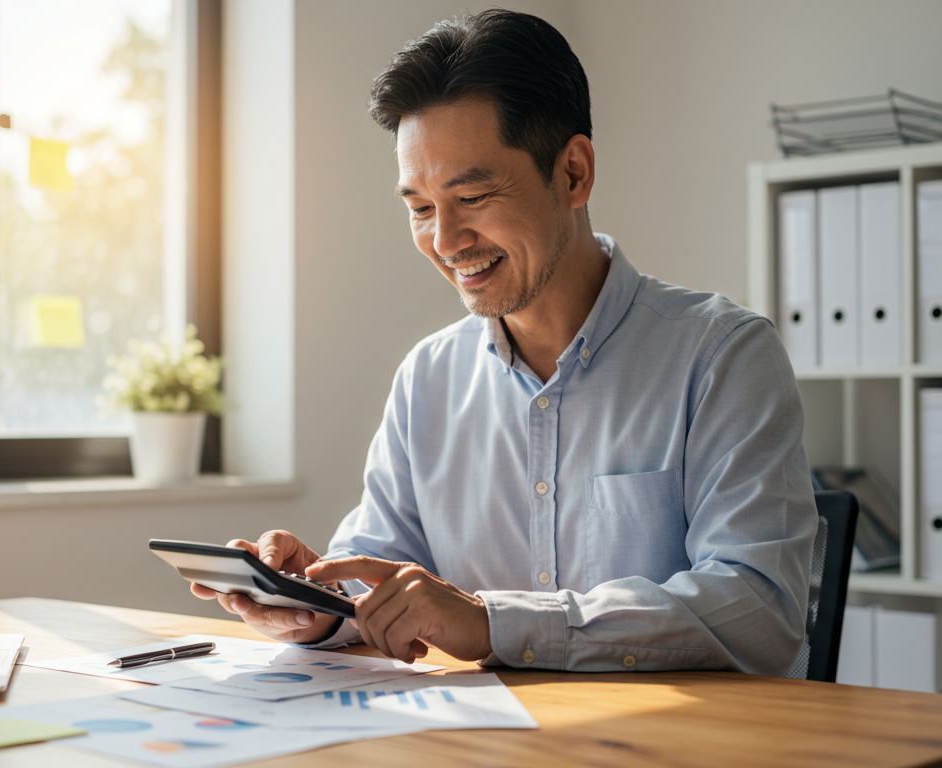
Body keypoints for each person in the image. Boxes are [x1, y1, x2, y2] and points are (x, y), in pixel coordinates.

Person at [192, 8, 816, 675]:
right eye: (421, 208)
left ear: (573, 173)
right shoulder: (429, 377)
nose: (444, 240)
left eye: (474, 195)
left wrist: (493, 623)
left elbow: (758, 606)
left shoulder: (723, 355)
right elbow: (374, 574)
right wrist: (313, 602)